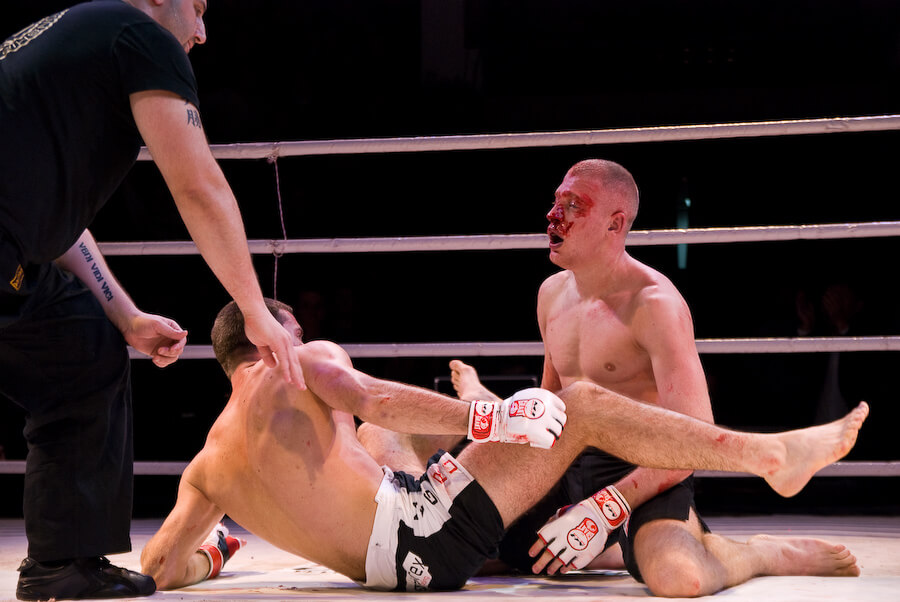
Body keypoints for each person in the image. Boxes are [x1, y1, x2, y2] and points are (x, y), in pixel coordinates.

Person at [139, 298, 867, 593]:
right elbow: (374, 395)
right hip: (426, 532)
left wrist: (217, 553)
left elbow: (160, 567)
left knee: (378, 437)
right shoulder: (300, 361)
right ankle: (769, 455)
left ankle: (497, 431)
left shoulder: (208, 464)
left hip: (397, 559)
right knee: (580, 405)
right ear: (277, 331)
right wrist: (487, 419)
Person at [444, 158, 863, 597]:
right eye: (556, 202)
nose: (553, 216)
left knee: (679, 578)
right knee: (470, 549)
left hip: (643, 468)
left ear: (614, 223)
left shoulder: (654, 304)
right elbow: (552, 405)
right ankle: (611, 548)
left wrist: (607, 506)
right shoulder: (550, 294)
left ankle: (759, 553)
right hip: (567, 465)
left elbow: (694, 437)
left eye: (573, 205)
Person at [1, 2, 303, 599]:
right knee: (76, 348)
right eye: (198, 8)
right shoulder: (142, 38)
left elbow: (60, 226)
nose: (202, 33)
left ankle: (62, 564)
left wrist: (125, 315)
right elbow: (198, 185)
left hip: (13, 253)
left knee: (83, 343)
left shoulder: (80, 34)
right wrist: (254, 311)